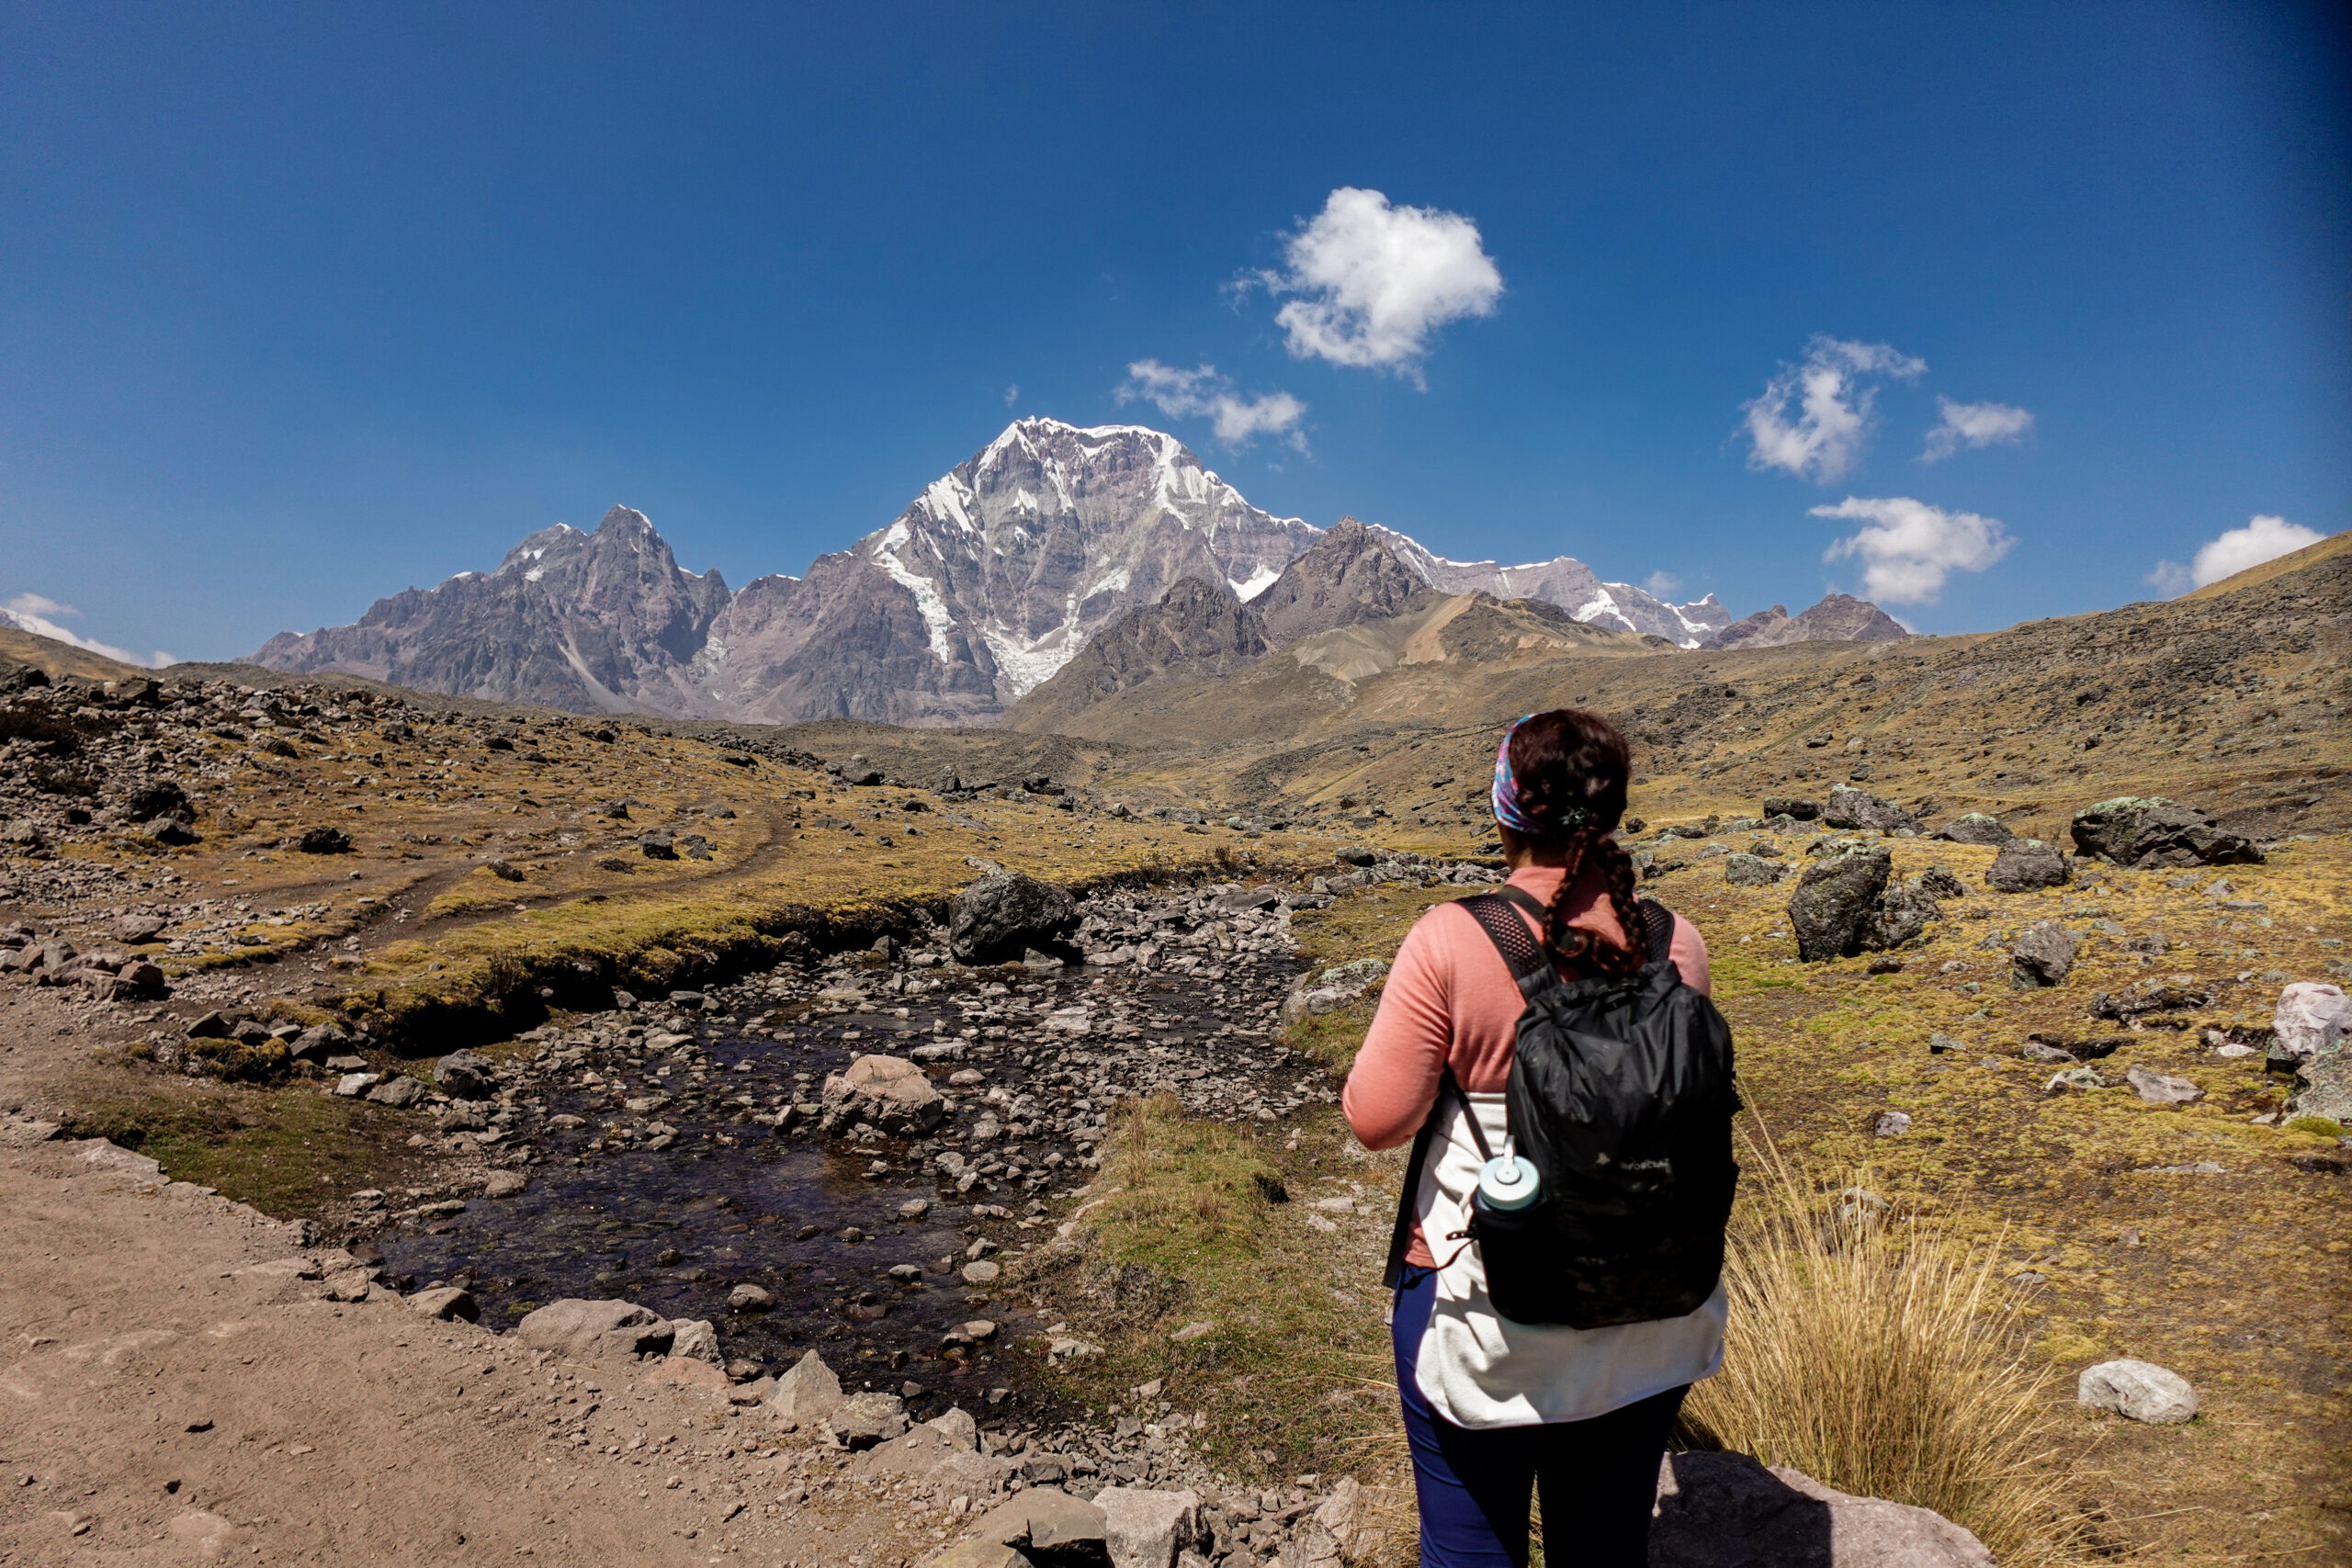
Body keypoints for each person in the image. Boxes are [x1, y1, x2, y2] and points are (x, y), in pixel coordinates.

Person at [1342, 709, 1723, 1568]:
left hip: (1485, 1306)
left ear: (1505, 809)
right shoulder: (1676, 941)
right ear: (1613, 810)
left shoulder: (1452, 937)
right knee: (1607, 1548)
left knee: (1471, 1550)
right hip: (1650, 1303)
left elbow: (1375, 1119)